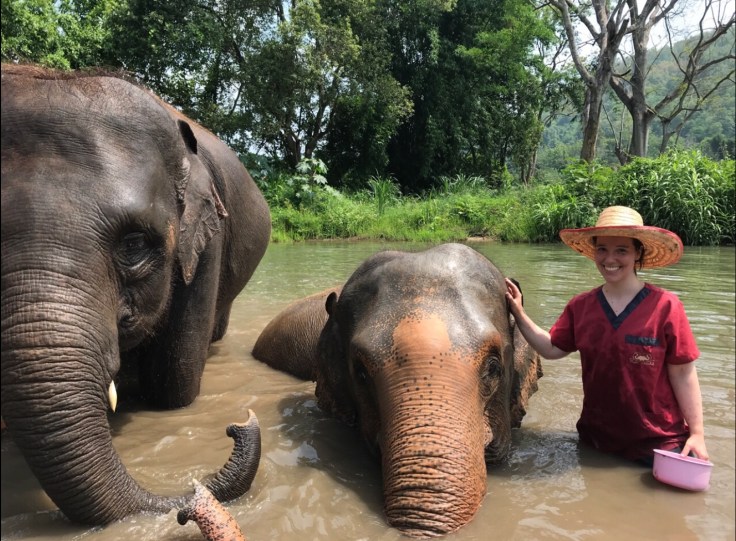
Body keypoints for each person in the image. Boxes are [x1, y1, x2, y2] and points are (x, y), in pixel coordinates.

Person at [505, 205, 708, 465]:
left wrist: (697, 434)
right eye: (602, 249)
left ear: (637, 253)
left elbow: (683, 373)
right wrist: (519, 313)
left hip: (658, 444)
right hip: (596, 442)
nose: (609, 259)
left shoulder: (666, 306)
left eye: (621, 250)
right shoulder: (581, 306)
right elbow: (552, 349)